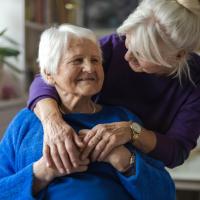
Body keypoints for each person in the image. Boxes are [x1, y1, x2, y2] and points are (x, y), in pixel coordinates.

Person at [0, 24, 175, 200]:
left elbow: (165, 193)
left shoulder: (122, 120)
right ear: (49, 73)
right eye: (77, 60)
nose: (90, 68)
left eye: (95, 60)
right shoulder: (25, 122)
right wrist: (42, 172)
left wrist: (124, 160)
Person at [28, 0, 200, 172]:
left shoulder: (194, 82)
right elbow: (45, 78)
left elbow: (176, 151)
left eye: (140, 54)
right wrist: (53, 123)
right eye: (129, 43)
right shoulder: (115, 45)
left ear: (179, 55)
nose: (127, 57)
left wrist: (133, 132)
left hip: (136, 167)